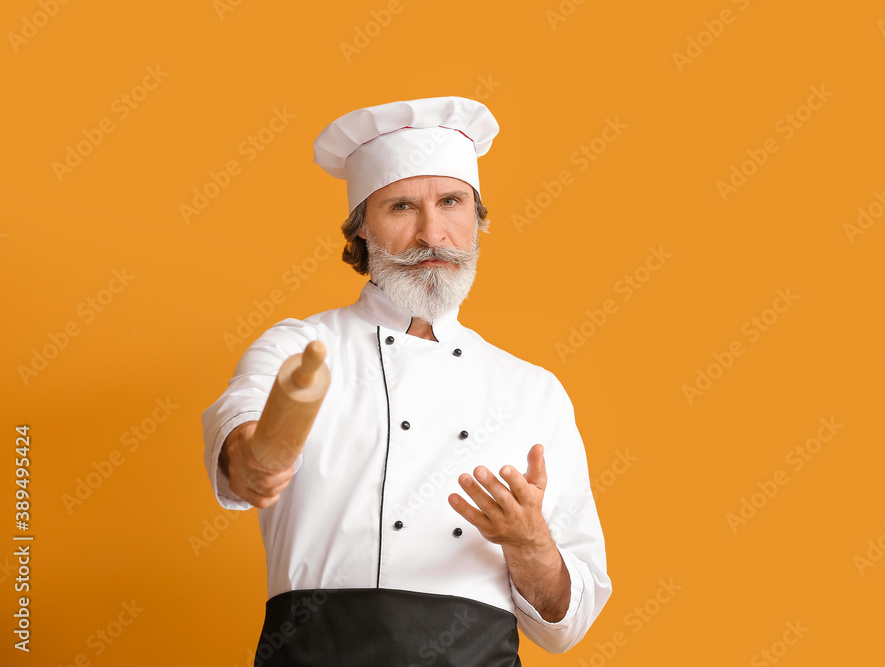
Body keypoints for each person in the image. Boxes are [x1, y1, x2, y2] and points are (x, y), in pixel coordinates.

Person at [202, 96, 611, 666]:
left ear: (477, 219)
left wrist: (529, 542)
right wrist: (252, 460)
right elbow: (241, 429)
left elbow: (566, 627)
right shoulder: (301, 347)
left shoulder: (532, 391)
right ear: (362, 229)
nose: (432, 234)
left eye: (451, 202)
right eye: (401, 207)